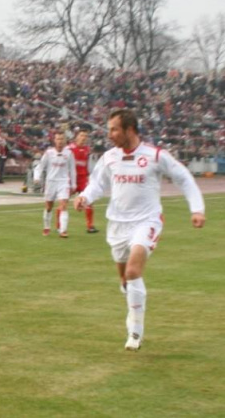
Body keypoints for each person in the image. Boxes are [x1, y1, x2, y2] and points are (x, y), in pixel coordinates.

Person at [74, 109, 205, 352]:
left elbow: (184, 177)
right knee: (125, 279)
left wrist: (197, 209)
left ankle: (135, 331)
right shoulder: (109, 158)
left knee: (134, 270)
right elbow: (97, 184)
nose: (109, 134)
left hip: (147, 221)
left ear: (130, 130)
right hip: (117, 224)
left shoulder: (155, 155)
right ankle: (131, 301)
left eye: (114, 129)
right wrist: (84, 197)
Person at [34, 133, 76, 238]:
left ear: (65, 140)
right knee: (49, 206)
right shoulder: (49, 153)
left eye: (62, 139)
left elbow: (72, 170)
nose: (60, 141)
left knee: (63, 205)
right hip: (51, 181)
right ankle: (47, 226)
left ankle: (63, 230)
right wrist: (37, 177)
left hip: (63, 181)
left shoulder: (69, 153)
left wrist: (73, 184)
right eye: (58, 139)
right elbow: (40, 167)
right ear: (54, 140)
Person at [60, 128, 99, 233]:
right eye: (82, 135)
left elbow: (88, 164)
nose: (83, 138)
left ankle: (90, 226)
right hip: (71, 178)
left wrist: (89, 177)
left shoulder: (87, 149)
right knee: (64, 201)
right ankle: (59, 226)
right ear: (77, 136)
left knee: (88, 201)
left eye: (85, 136)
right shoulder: (70, 148)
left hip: (82, 178)